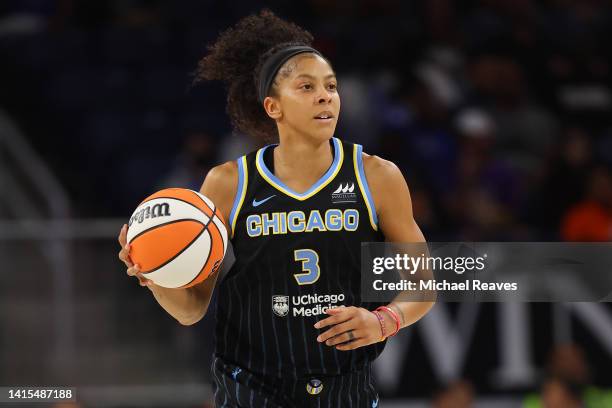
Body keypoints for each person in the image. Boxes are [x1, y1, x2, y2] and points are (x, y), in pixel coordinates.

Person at [118, 10, 434, 407]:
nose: (325, 96)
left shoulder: (377, 177)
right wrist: (155, 272)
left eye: (331, 86)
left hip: (344, 386)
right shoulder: (229, 183)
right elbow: (191, 310)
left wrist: (385, 320)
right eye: (306, 86)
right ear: (273, 107)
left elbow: (423, 283)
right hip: (251, 387)